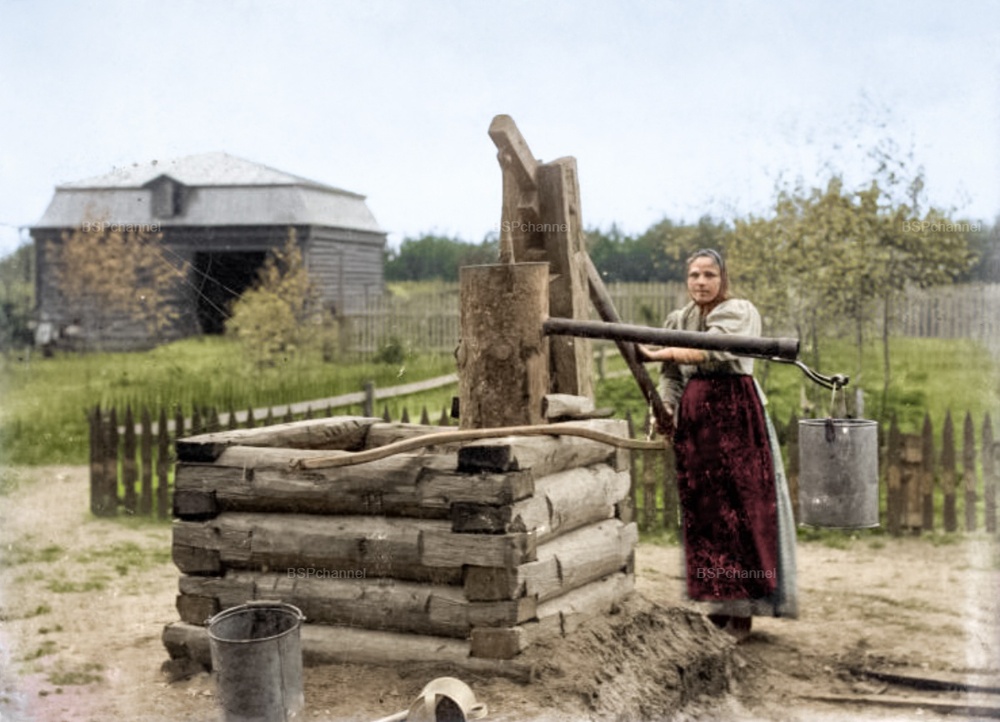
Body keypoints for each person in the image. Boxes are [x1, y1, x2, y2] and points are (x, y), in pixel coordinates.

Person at [639, 248, 797, 642]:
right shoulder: (679, 319)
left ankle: (742, 612)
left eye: (709, 275)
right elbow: (671, 376)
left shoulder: (739, 311)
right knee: (706, 511)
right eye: (694, 275)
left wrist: (658, 350)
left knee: (740, 509)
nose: (701, 282)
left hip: (735, 416)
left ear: (723, 279)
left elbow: (712, 348)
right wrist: (667, 407)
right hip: (697, 422)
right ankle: (718, 602)